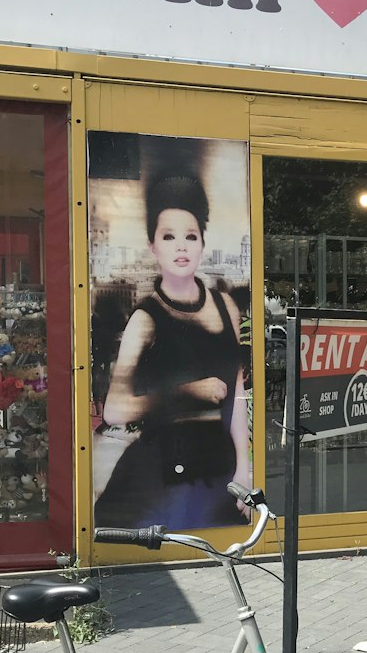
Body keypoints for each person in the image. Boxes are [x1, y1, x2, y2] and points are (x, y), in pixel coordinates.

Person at [94, 174, 250, 528]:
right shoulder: (146, 318)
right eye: (169, 237)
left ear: (202, 244)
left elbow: (237, 393)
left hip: (218, 462)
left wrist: (245, 465)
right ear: (153, 246)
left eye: (190, 237)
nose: (181, 246)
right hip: (163, 465)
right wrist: (186, 390)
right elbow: (116, 410)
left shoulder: (227, 307)